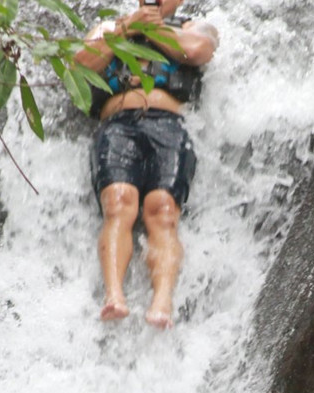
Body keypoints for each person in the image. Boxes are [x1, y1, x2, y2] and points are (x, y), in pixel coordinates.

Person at [73, 0, 219, 329]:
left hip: (169, 126)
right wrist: (128, 27)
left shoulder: (191, 26)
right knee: (118, 203)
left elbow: (199, 51)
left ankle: (162, 301)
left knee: (163, 210)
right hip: (118, 125)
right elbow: (80, 65)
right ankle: (114, 296)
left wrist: (151, 28)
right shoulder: (110, 29)